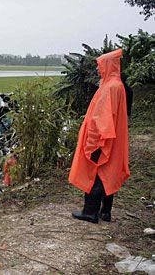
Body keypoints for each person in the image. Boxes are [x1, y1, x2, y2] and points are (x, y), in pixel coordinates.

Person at [69, 49, 130, 224]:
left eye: (100, 65)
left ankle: (90, 212)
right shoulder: (116, 85)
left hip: (102, 140)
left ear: (108, 65)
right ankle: (106, 212)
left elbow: (101, 120)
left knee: (96, 174)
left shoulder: (110, 87)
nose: (98, 69)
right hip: (112, 139)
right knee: (109, 173)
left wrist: (93, 144)